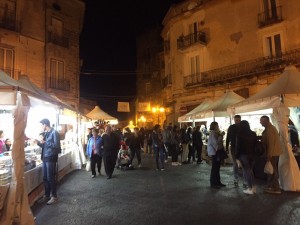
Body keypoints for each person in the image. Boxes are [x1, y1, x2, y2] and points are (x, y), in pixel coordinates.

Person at [36, 118, 61, 205]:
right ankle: (47, 195)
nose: (40, 126)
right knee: (45, 177)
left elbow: (56, 146)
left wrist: (45, 142)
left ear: (45, 125)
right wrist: (38, 142)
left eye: (41, 125)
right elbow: (44, 145)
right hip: (45, 157)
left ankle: (54, 196)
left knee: (51, 177)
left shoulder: (55, 133)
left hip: (51, 157)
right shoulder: (46, 133)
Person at [260, 115, 283, 194]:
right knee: (271, 171)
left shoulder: (270, 129)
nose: (260, 122)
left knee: (272, 171)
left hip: (272, 153)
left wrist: (269, 155)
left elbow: (271, 143)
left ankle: (276, 189)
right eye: (260, 121)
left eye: (262, 121)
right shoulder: (270, 128)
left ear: (267, 121)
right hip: (274, 153)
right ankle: (271, 187)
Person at [235, 120, 257, 195]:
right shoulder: (253, 134)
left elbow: (238, 147)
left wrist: (236, 157)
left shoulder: (239, 134)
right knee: (250, 171)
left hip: (243, 155)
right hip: (252, 155)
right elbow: (255, 145)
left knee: (247, 171)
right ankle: (253, 187)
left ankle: (250, 188)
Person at [207, 121, 226, 189]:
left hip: (216, 152)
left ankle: (217, 182)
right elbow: (216, 143)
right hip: (214, 153)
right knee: (215, 168)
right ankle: (214, 183)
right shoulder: (213, 133)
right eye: (217, 126)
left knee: (217, 168)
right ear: (214, 126)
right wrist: (221, 135)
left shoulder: (215, 133)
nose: (218, 127)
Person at [226, 114, 241, 186]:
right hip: (234, 147)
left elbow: (228, 137)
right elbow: (228, 137)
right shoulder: (231, 127)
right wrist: (226, 147)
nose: (237, 121)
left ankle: (238, 179)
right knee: (235, 163)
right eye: (236, 120)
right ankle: (236, 178)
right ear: (234, 120)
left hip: (240, 147)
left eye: (238, 120)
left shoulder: (242, 127)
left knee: (240, 163)